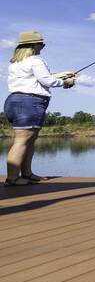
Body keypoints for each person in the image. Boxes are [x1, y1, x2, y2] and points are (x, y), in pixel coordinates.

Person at [4, 31, 75, 186]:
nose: (43, 46)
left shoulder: (16, 63)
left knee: (29, 140)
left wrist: (62, 74)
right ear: (33, 45)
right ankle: (12, 179)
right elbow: (47, 81)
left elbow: (40, 78)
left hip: (15, 101)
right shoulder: (36, 60)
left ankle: (27, 174)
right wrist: (66, 82)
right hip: (30, 103)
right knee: (22, 141)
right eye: (41, 43)